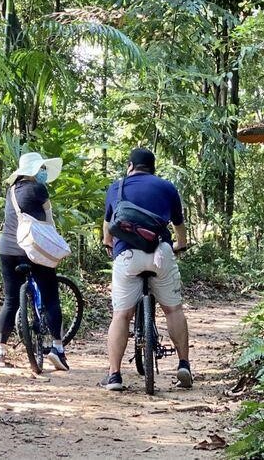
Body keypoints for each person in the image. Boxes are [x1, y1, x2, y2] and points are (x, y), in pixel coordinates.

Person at [101, 148, 192, 391]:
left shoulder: (116, 187)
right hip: (160, 254)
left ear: (130, 165)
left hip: (127, 256)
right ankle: (184, 364)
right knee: (173, 310)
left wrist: (108, 245)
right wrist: (180, 245)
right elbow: (179, 225)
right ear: (153, 167)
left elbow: (108, 227)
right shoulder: (166, 187)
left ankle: (114, 376)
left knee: (121, 315)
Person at [0, 151, 69, 371]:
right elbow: (49, 223)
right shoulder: (39, 189)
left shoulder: (11, 191)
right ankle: (57, 348)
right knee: (51, 296)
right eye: (41, 169)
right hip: (32, 249)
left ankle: (0, 352)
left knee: (10, 301)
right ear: (35, 170)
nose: (43, 172)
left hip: (7, 249)